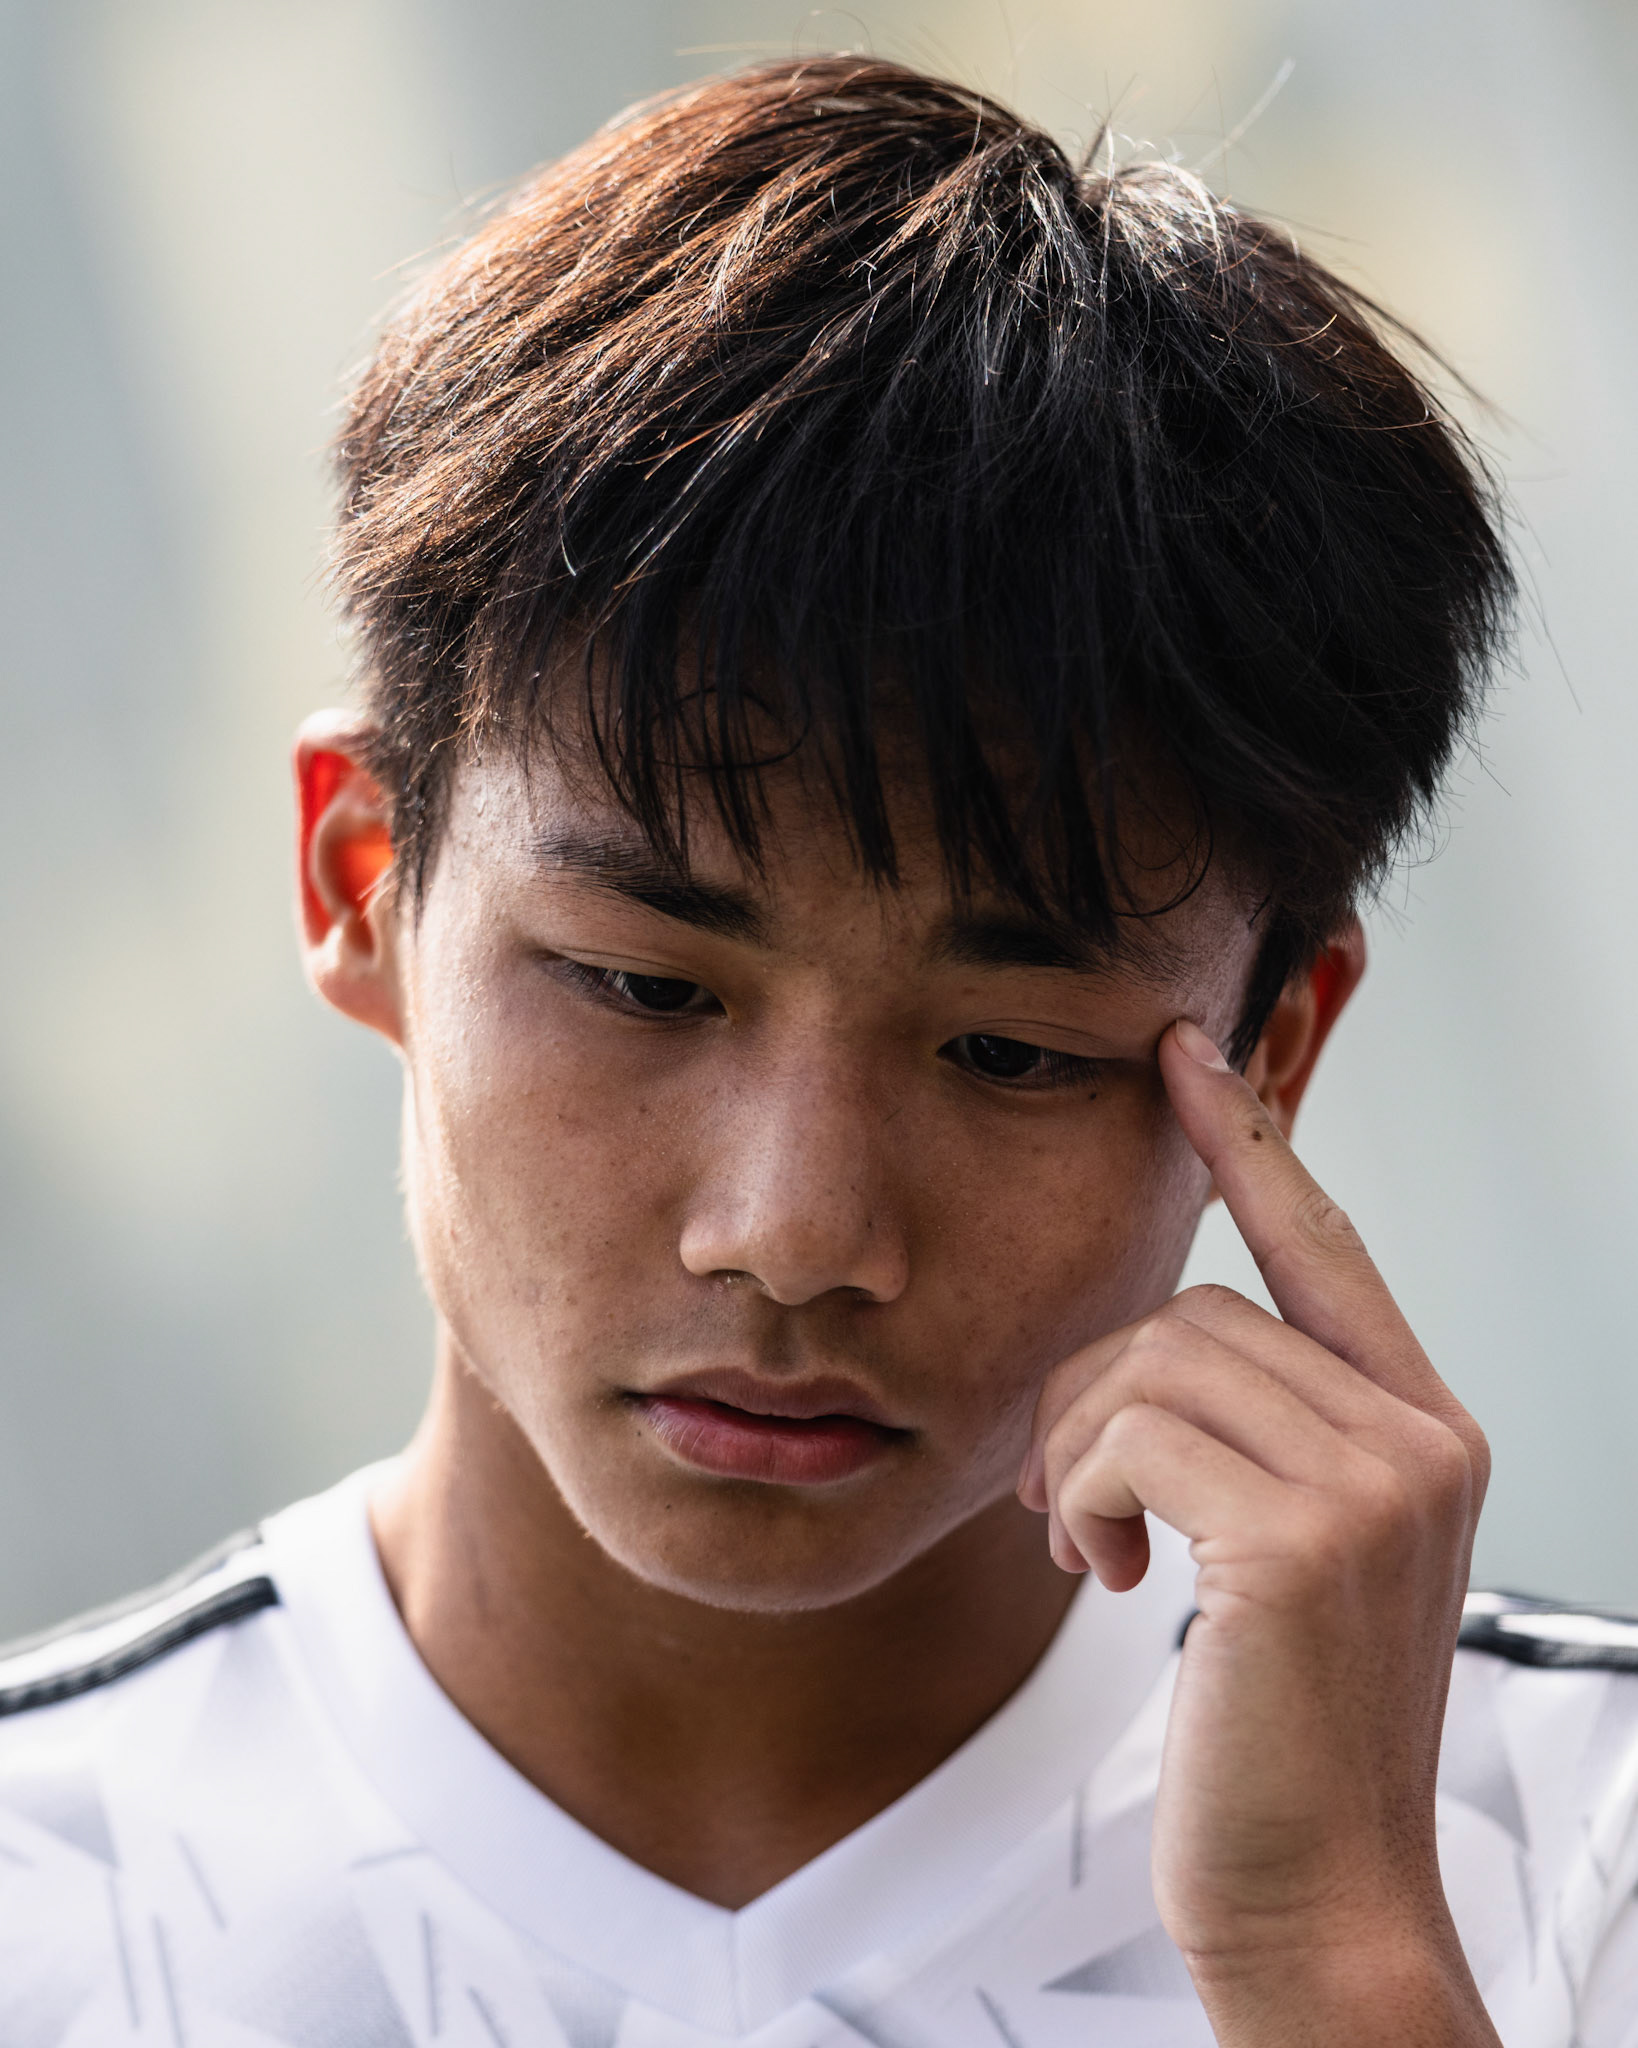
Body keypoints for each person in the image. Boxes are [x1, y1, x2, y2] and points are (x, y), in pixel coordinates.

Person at [3, 54, 1635, 2048]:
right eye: (647, 986)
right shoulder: (51, 1896)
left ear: (1270, 1045)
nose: (792, 1233)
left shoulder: (1580, 1859)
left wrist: (1336, 1964)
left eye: (1010, 1049)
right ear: (361, 876)